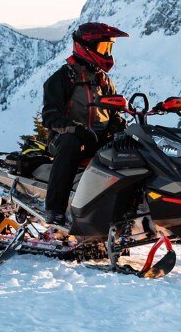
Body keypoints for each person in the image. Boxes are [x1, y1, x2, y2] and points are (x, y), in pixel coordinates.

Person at [39, 22, 129, 226]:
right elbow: (50, 117)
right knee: (71, 144)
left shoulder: (103, 80)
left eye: (108, 48)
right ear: (86, 47)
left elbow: (114, 110)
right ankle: (54, 209)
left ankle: (126, 210)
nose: (106, 53)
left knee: (129, 150)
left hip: (98, 139)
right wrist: (77, 130)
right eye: (103, 47)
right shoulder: (62, 78)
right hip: (65, 139)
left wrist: (118, 126)